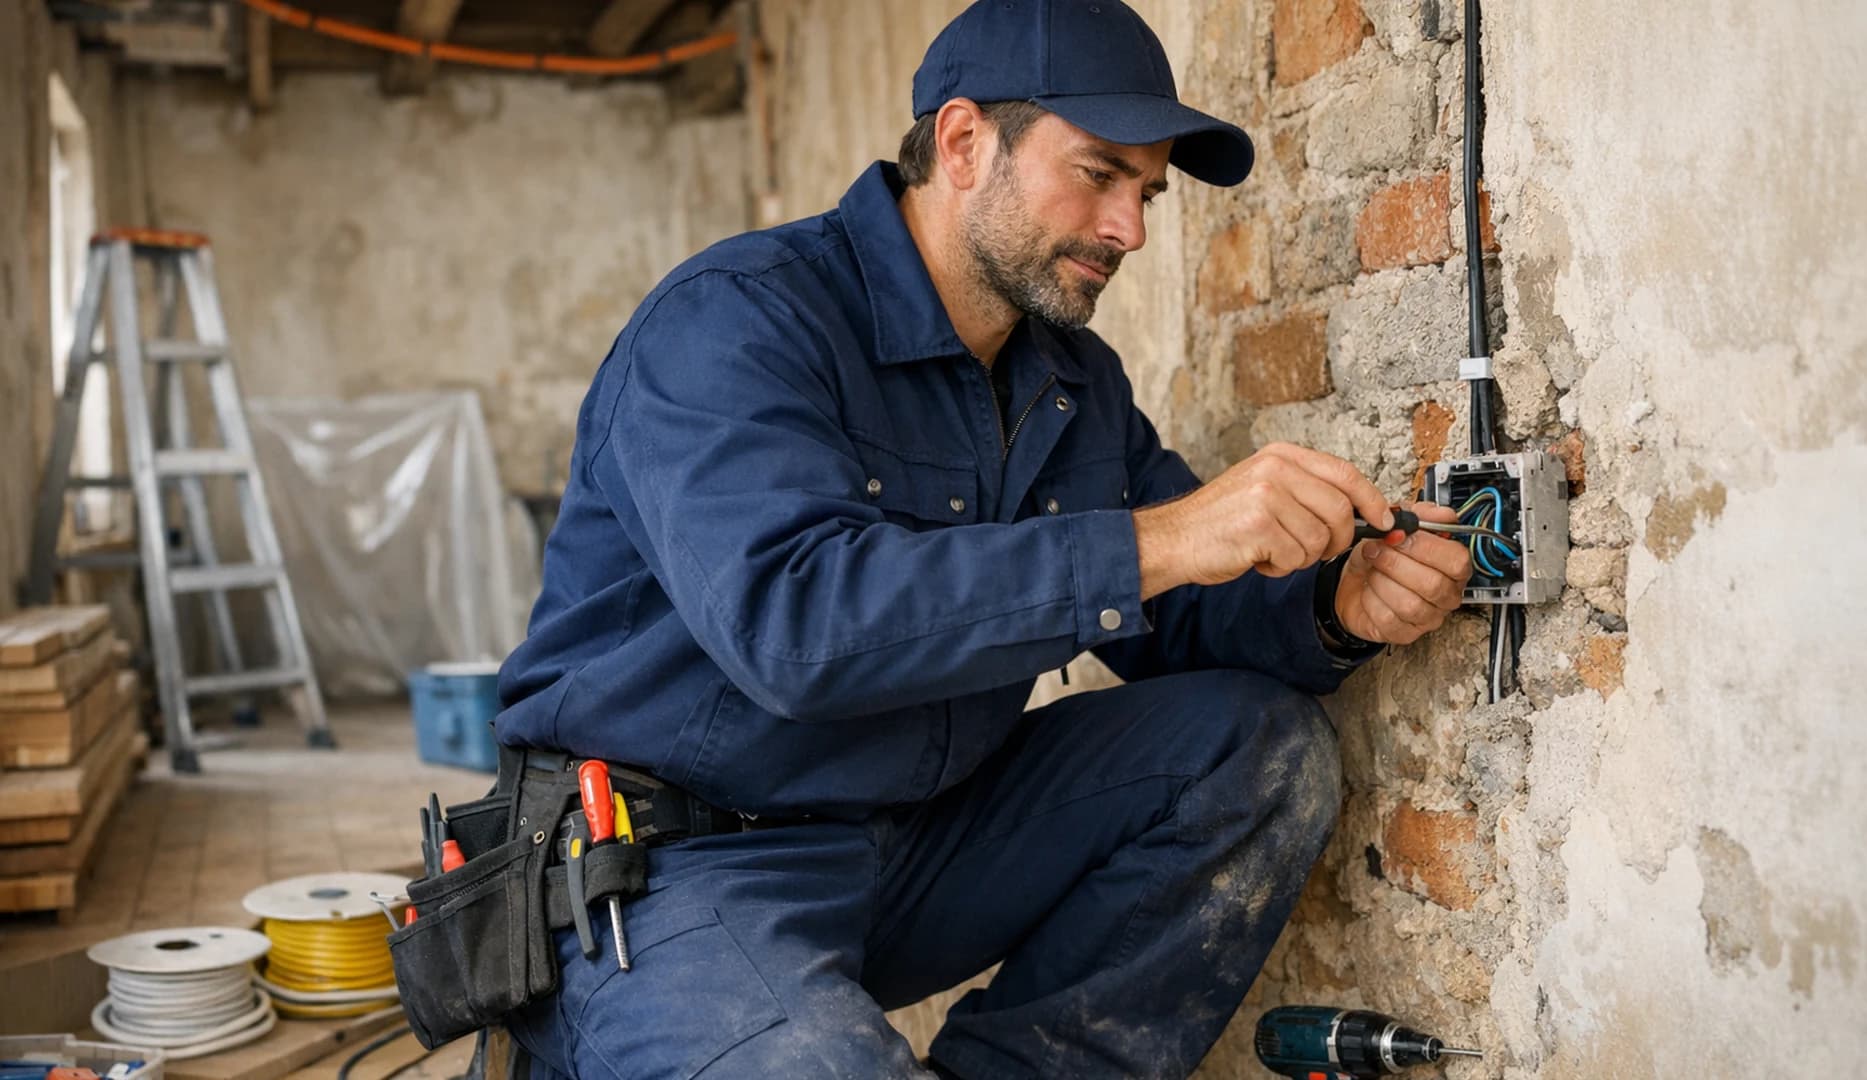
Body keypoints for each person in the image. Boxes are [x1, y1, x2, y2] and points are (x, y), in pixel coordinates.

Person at [494, 1, 1471, 1076]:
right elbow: (795, 624)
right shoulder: (735, 321)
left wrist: (1340, 608)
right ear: (963, 143)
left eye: (1145, 192)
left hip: (912, 845)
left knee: (1254, 749)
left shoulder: (1071, 381)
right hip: (670, 868)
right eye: (1098, 174)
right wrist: (1164, 538)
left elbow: (1187, 611)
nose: (1130, 229)